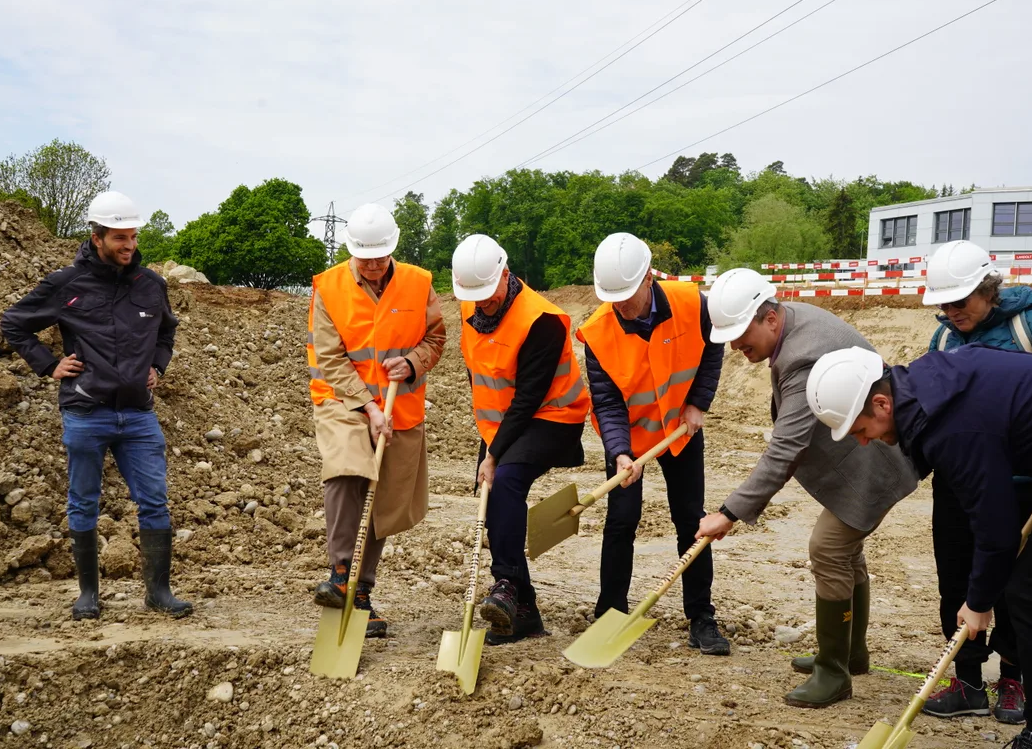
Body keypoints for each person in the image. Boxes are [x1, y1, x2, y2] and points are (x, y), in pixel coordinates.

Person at [807, 345, 1032, 749]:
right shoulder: (929, 388)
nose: (865, 442)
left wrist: (978, 603)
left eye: (859, 429)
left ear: (882, 403)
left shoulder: (953, 428)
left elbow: (996, 528)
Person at [696, 268, 918, 707]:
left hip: (871, 458)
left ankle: (833, 672)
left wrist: (730, 511)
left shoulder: (803, 355)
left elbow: (786, 447)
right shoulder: (794, 321)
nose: (738, 348)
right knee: (845, 552)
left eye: (743, 334)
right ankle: (851, 654)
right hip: (862, 455)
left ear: (771, 319)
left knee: (829, 548)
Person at [1, 191, 191, 621]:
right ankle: (88, 593)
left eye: (133, 237)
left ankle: (158, 592)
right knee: (83, 502)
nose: (129, 246)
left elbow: (166, 333)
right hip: (86, 412)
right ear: (97, 236)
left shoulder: (151, 286)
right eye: (120, 238)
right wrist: (49, 365)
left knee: (155, 501)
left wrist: (157, 367)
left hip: (139, 414)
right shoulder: (66, 284)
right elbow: (15, 323)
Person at [920, 240, 1032, 723]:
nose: (951, 313)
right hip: (961, 480)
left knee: (1017, 584)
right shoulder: (946, 338)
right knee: (957, 577)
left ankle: (1014, 678)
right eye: (944, 304)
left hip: (1024, 481)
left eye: (961, 302)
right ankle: (967, 680)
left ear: (989, 290)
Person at [576, 233, 729, 654]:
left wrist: (698, 402)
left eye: (627, 295)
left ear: (648, 278)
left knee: (690, 520)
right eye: (613, 298)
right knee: (621, 520)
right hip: (632, 439)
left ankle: (701, 616)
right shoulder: (597, 332)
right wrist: (620, 451)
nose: (621, 306)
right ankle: (610, 612)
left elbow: (714, 348)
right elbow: (606, 401)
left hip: (680, 431)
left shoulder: (693, 303)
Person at [307, 202, 446, 638]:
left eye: (379, 256)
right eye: (363, 256)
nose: (370, 264)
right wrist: (367, 406)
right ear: (351, 250)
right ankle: (340, 573)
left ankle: (361, 593)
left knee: (384, 501)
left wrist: (413, 361)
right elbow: (328, 357)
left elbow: (437, 337)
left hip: (399, 406)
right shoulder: (328, 287)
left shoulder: (419, 283)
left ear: (392, 250)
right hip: (342, 400)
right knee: (347, 471)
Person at [451, 234, 590, 643]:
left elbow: (530, 396)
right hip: (500, 421)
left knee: (506, 480)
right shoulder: (471, 304)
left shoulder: (541, 319)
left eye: (488, 293)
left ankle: (506, 584)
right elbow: (478, 368)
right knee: (491, 495)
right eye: (473, 296)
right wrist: (489, 439)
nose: (482, 303)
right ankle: (524, 609)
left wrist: (494, 454)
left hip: (553, 416)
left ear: (505, 274)